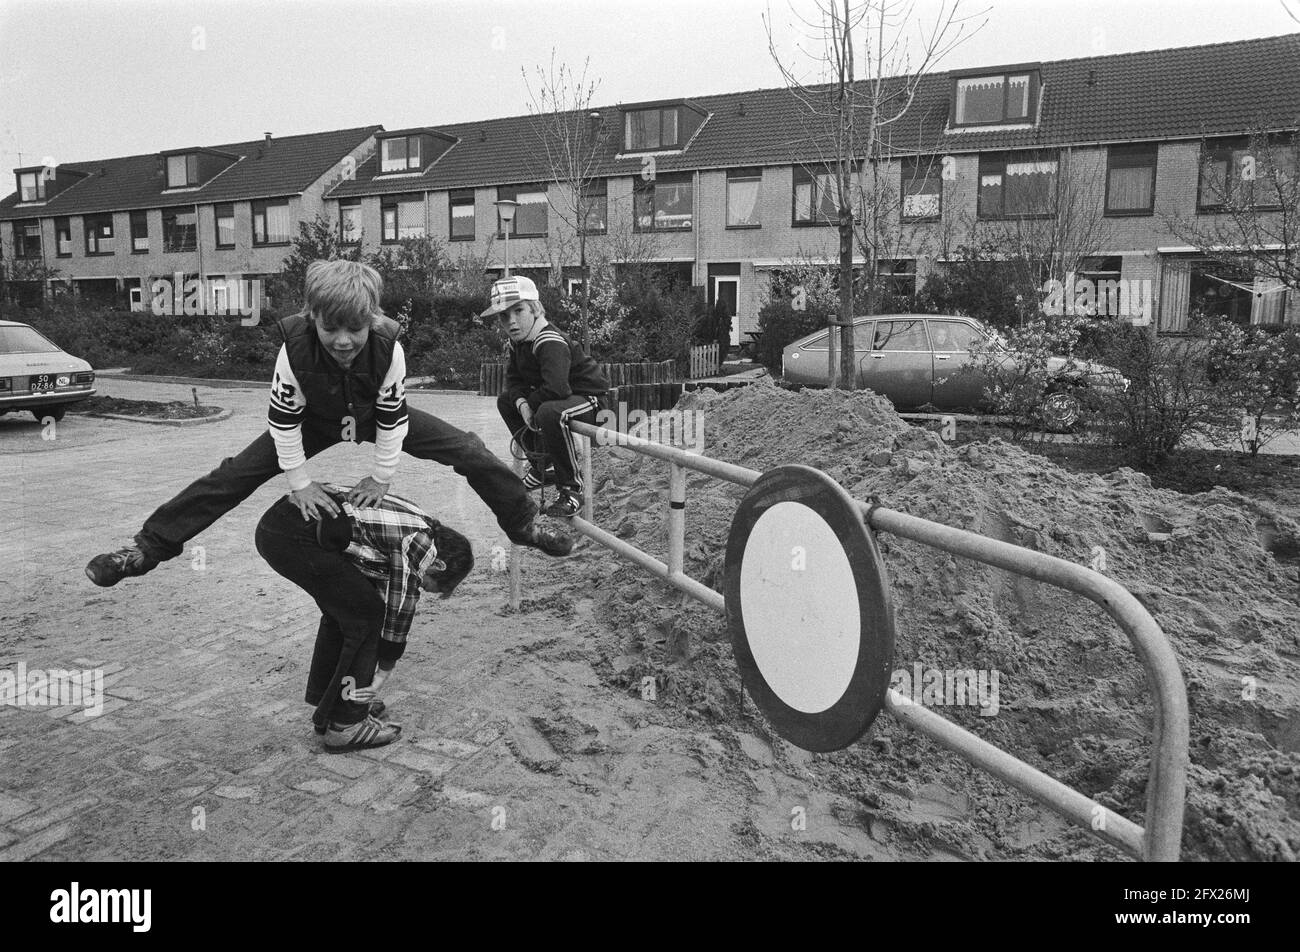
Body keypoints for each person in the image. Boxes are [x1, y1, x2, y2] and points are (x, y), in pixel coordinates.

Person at [86, 260, 571, 587]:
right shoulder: (292, 353)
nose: (343, 341)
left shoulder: (388, 349)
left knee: (467, 448)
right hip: (313, 420)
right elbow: (282, 423)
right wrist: (298, 482)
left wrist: (380, 478)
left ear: (373, 319)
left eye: (355, 329)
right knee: (234, 474)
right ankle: (147, 548)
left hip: (372, 417)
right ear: (310, 316)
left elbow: (392, 418)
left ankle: (525, 522)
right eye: (329, 328)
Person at [254, 482, 473, 750]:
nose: (423, 587)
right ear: (439, 565)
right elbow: (401, 605)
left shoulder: (421, 523)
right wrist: (384, 671)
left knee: (349, 612)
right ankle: (346, 725)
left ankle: (337, 702)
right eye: (430, 584)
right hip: (295, 535)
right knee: (367, 617)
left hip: (282, 526)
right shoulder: (421, 543)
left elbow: (379, 582)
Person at [486, 275, 610, 518]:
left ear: (534, 309)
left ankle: (572, 489)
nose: (511, 322)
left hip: (589, 399)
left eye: (518, 311)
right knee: (506, 401)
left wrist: (531, 405)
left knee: (550, 411)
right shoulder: (519, 343)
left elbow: (557, 388)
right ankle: (544, 467)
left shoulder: (548, 340)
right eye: (504, 316)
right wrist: (522, 404)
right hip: (562, 397)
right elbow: (513, 380)